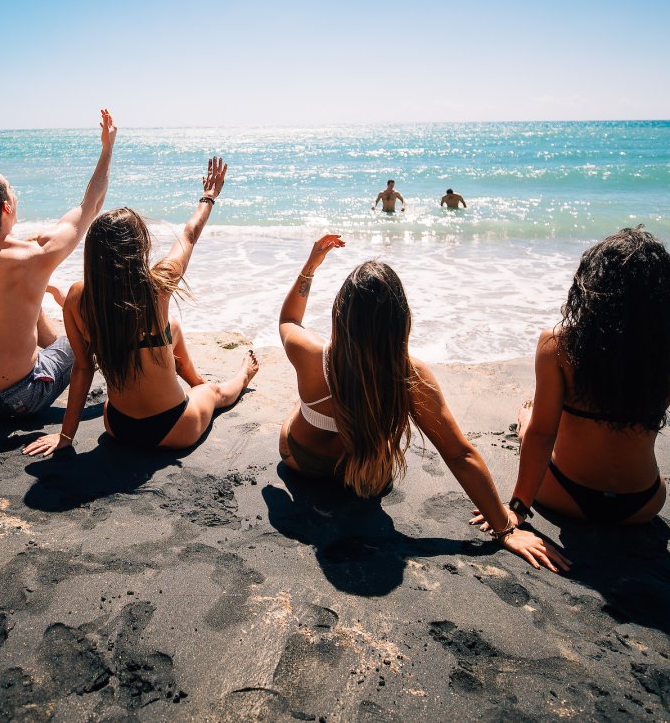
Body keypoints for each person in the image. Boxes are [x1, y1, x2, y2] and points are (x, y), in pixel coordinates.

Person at [277, 235, 569, 572]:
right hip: (365, 476)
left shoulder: (311, 354)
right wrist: (504, 527)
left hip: (301, 462)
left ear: (339, 314)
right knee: (368, 417)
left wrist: (311, 265)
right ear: (401, 321)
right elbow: (459, 455)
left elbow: (288, 320)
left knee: (299, 409)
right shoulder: (411, 377)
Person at [22, 157, 259, 457]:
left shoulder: (77, 297)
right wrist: (209, 197)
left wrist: (66, 436)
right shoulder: (157, 286)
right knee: (213, 393)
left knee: (169, 329)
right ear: (139, 249)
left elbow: (82, 368)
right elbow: (189, 234)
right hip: (174, 427)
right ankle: (242, 376)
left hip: (117, 426)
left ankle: (195, 379)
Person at [475, 228, 669, 529]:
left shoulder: (559, 344)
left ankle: (523, 416)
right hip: (642, 504)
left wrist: (517, 507)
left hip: (562, 495)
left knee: (531, 424)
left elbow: (542, 436)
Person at [0, 109, 117, 422]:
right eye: (11, 187)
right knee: (88, 333)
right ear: (6, 206)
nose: (16, 191)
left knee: (29, 294)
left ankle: (52, 346)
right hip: (16, 399)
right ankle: (128, 385)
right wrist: (107, 150)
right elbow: (90, 206)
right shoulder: (32, 258)